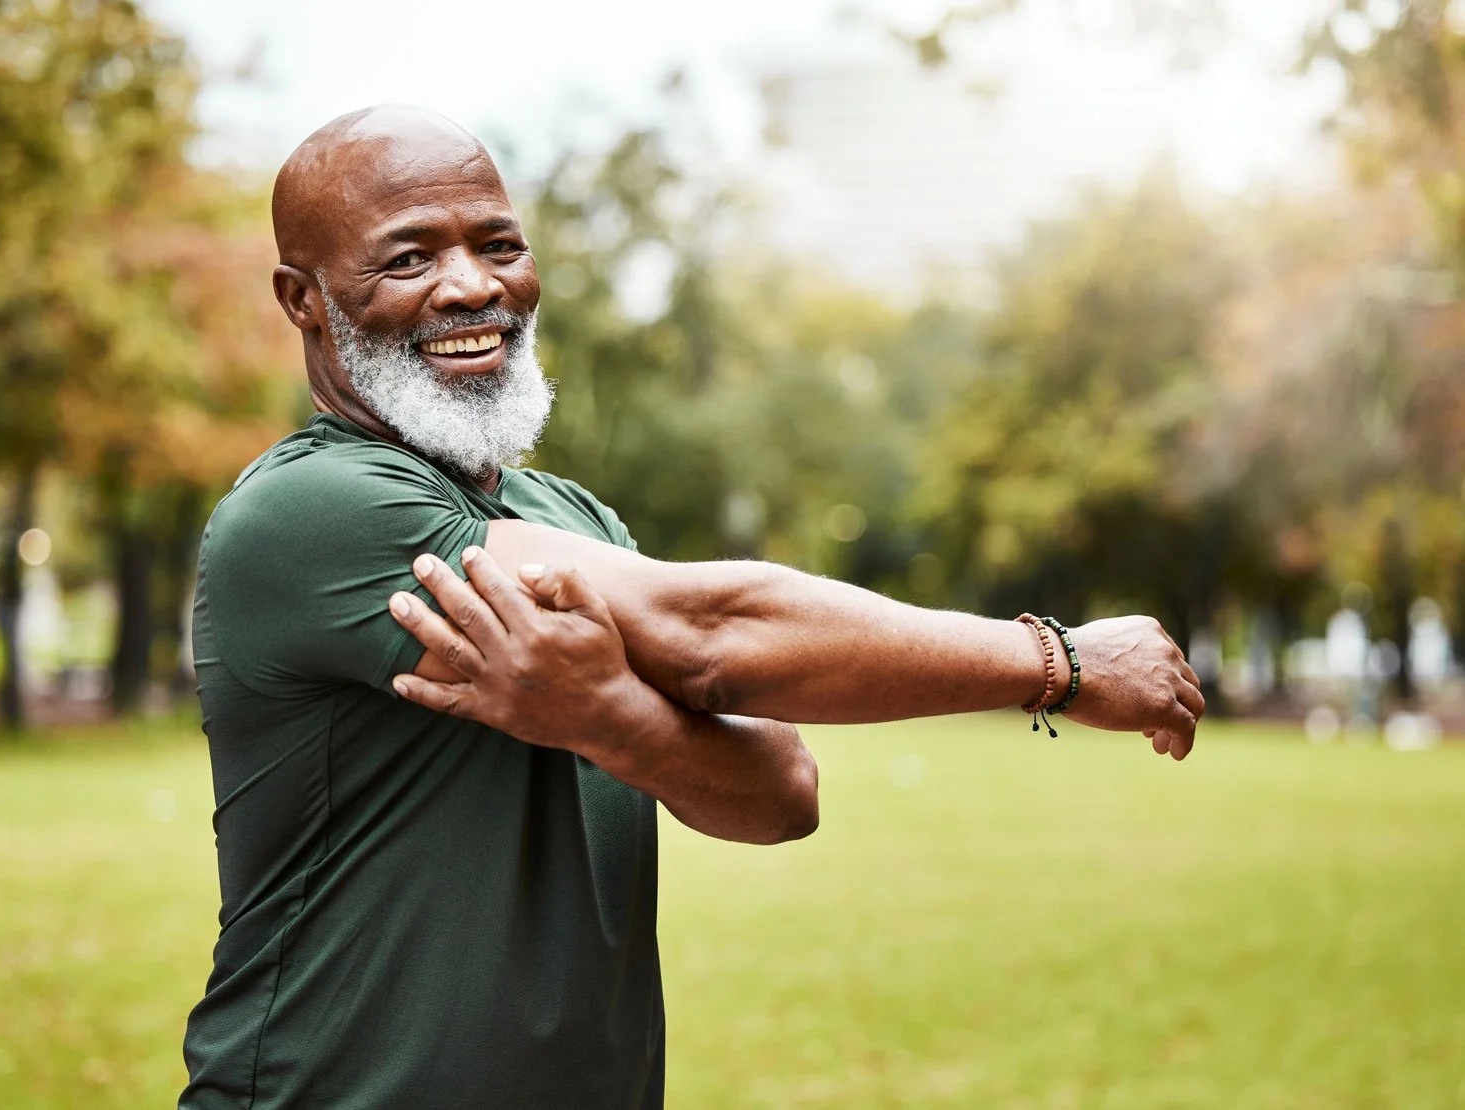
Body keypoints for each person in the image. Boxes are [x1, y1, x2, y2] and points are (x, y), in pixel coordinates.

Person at [180, 104, 1203, 1110]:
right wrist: (1057, 663)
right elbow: (710, 633)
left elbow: (782, 791)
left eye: (499, 245)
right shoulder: (308, 509)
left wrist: (612, 719)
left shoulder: (569, 518)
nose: (473, 286)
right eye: (408, 259)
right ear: (303, 298)